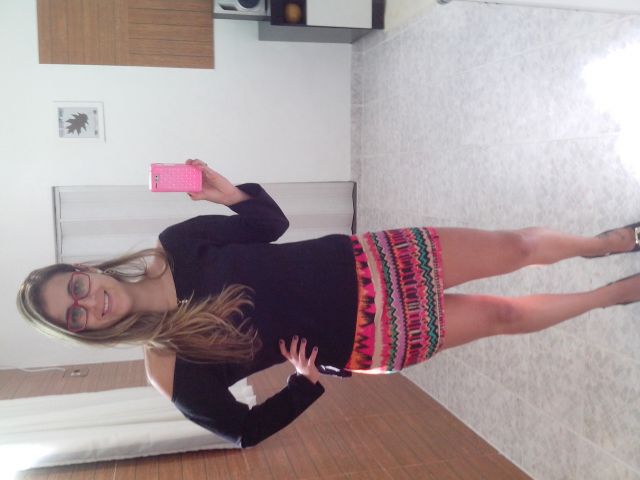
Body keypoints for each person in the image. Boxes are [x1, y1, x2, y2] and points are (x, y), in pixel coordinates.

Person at [16, 159, 640, 448]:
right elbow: (242, 430)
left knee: (516, 246)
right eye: (76, 317)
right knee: (503, 316)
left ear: (83, 270)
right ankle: (609, 295)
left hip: (373, 259)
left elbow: (270, 225)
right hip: (367, 337)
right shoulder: (168, 367)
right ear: (84, 332)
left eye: (76, 289)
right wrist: (302, 386)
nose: (88, 304)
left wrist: (228, 194)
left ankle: (605, 243)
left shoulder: (176, 243)